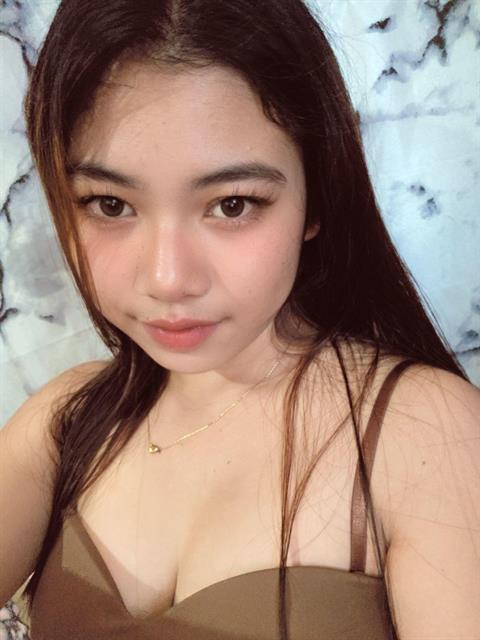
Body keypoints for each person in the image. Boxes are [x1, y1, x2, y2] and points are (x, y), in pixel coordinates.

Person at [0, 1, 479, 639]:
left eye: (232, 204)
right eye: (110, 204)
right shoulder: (65, 422)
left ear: (316, 199)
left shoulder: (423, 432)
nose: (168, 278)